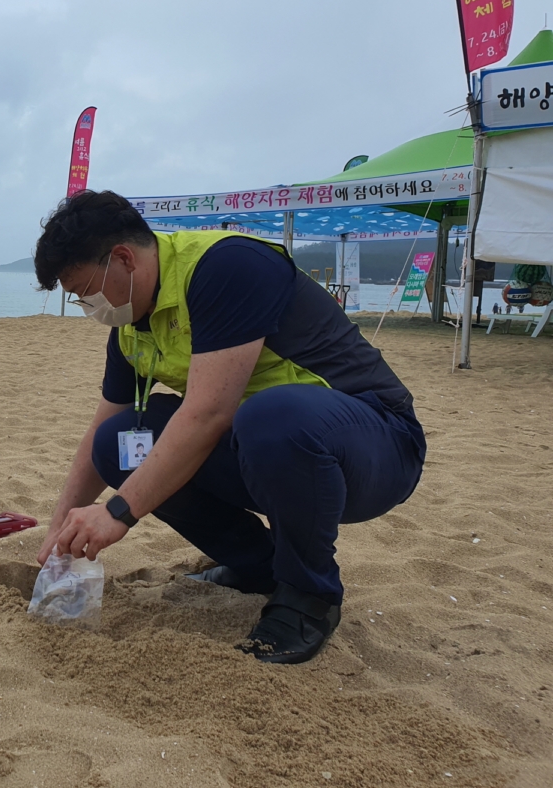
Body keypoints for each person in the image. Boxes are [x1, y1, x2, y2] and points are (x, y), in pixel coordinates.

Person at [33, 191, 425, 664]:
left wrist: (117, 512)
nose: (87, 305)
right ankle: (257, 566)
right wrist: (59, 531)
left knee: (268, 414)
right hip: (267, 455)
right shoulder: (133, 326)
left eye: (86, 290)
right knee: (116, 445)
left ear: (123, 258)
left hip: (372, 445)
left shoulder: (226, 267)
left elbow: (207, 414)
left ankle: (308, 596)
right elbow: (107, 420)